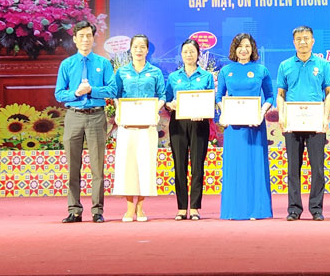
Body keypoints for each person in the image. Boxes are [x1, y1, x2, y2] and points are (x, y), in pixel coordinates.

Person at [54, 20, 114, 223]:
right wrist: (76, 93)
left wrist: (92, 91)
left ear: (94, 38)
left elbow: (112, 90)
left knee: (98, 167)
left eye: (89, 35)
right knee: (73, 166)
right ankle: (74, 210)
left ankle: (97, 211)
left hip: (97, 115)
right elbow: (59, 94)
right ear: (75, 39)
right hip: (74, 116)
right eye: (81, 36)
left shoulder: (103, 63)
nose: (86, 39)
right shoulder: (67, 64)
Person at [276, 26, 330, 221]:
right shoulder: (285, 65)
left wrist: (326, 117)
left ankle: (316, 209)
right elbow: (281, 95)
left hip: (316, 122)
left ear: (313, 41)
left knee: (317, 168)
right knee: (293, 167)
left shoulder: (323, 65)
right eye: (299, 39)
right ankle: (294, 209)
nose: (303, 42)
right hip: (292, 123)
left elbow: (329, 93)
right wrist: (282, 117)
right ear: (294, 42)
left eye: (306, 38)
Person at [216, 33, 274, 220]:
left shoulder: (261, 70)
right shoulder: (226, 71)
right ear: (234, 49)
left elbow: (270, 96)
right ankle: (233, 210)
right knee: (235, 167)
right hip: (234, 128)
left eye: (247, 46)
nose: (244, 49)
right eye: (240, 46)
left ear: (253, 49)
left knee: (254, 166)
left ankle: (257, 210)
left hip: (255, 126)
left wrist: (261, 112)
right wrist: (223, 112)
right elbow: (219, 97)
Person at [110, 34, 165, 222]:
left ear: (147, 50)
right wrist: (119, 111)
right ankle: (128, 207)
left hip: (147, 125)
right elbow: (116, 95)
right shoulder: (121, 72)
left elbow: (162, 95)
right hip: (127, 125)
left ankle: (140, 207)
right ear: (131, 49)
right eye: (136, 47)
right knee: (127, 164)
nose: (139, 50)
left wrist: (154, 110)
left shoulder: (155, 72)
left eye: (143, 47)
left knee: (145, 164)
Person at [165, 39, 215, 221]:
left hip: (199, 124)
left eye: (192, 51)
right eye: (185, 51)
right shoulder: (173, 77)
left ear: (198, 54)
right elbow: (167, 102)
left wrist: (204, 112)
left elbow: (210, 101)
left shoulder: (206, 76)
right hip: (178, 124)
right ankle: (180, 208)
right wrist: (171, 105)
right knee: (179, 165)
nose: (189, 54)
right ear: (181, 54)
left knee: (197, 166)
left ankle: (194, 207)